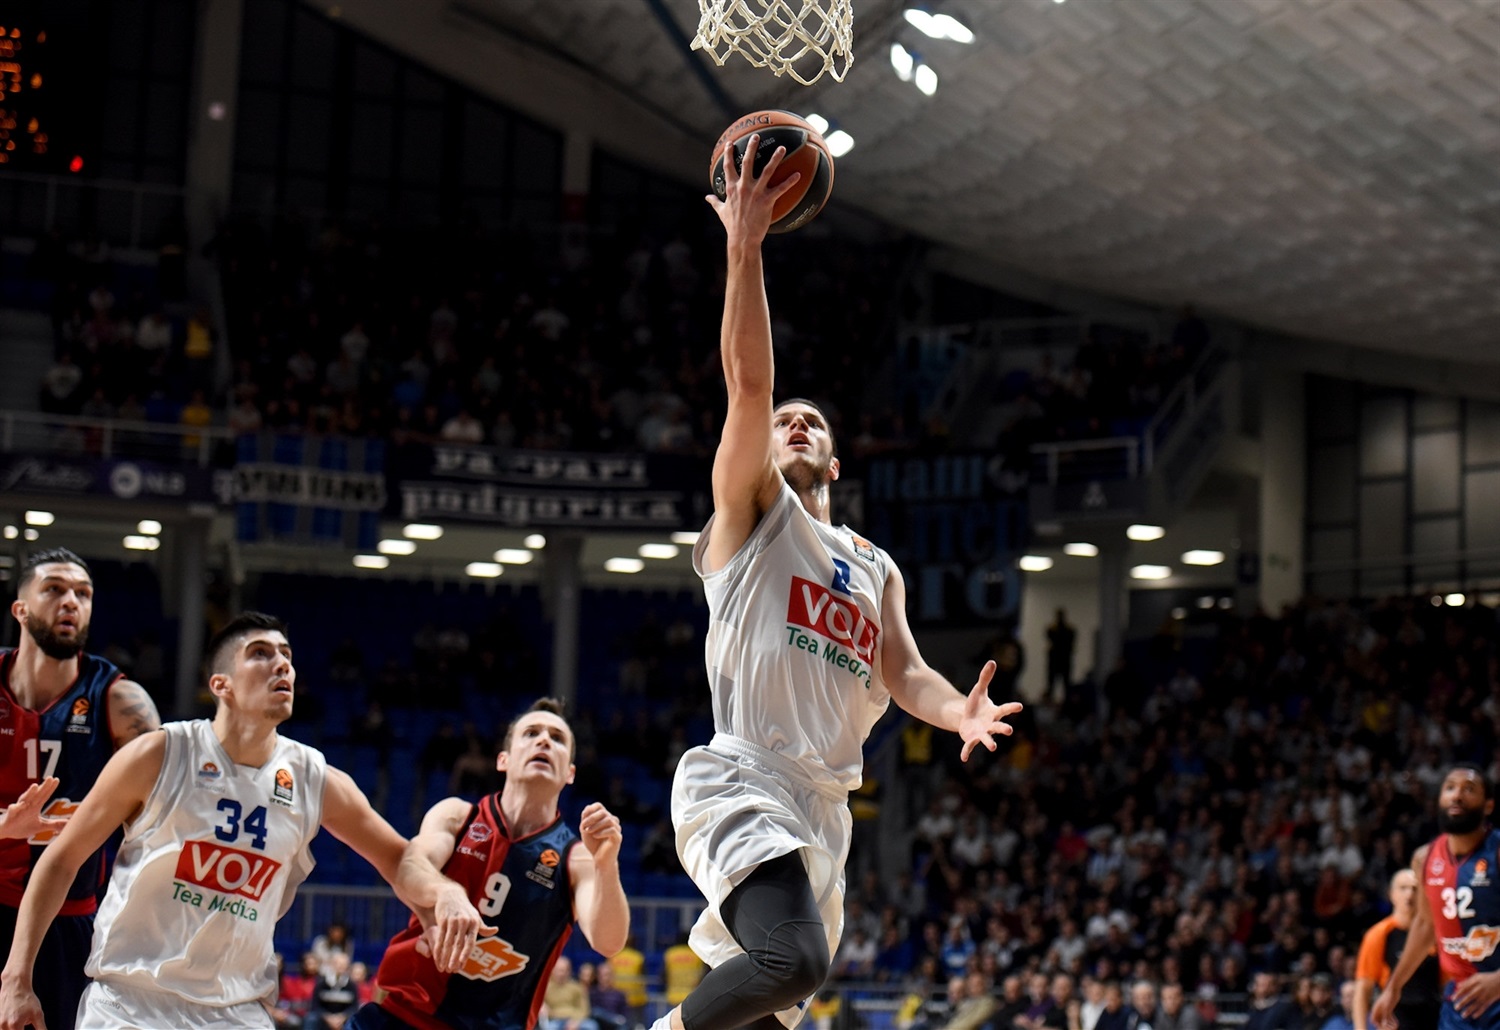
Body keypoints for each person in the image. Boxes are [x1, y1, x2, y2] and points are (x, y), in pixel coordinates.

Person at [653, 135, 1024, 1030]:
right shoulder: (750, 511)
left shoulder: (875, 563)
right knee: (794, 959)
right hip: (743, 777)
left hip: (825, 809)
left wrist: (958, 713)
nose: (796, 422)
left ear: (837, 455)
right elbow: (748, 386)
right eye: (786, 420)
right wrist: (745, 250)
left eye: (812, 420)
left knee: (773, 1007)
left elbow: (904, 673)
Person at [0, 611, 442, 1030]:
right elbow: (60, 860)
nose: (282, 665)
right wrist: (16, 978)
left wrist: (447, 898)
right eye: (261, 654)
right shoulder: (157, 754)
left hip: (236, 1010)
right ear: (221, 684)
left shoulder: (317, 779)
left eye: (287, 656)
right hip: (131, 1002)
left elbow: (400, 858)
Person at [350, 698, 629, 1030]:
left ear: (570, 773)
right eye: (531, 733)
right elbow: (409, 867)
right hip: (402, 1017)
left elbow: (608, 941)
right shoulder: (457, 816)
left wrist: (606, 862)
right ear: (503, 760)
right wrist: (445, 892)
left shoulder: (576, 858)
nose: (544, 740)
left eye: (557, 738)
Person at [0, 547, 163, 1030]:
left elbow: (162, 822)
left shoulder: (120, 701)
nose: (71, 601)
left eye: (83, 594)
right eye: (54, 589)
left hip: (66, 920)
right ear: (21, 608)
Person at [1374, 764, 1500, 1030]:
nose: (1457, 795)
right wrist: (1394, 986)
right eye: (1450, 788)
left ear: (1488, 806)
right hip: (1460, 999)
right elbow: (1424, 925)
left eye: (1469, 789)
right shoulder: (1425, 857)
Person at [1355, 870, 1439, 1030]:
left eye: (1415, 889)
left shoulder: (1434, 933)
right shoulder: (1378, 934)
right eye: (1403, 888)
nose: (1409, 894)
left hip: (1433, 1017)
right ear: (1391, 894)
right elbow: (1363, 988)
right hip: (1395, 1019)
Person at [1045, 608, 1076, 704]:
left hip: (1063, 661)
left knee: (1066, 686)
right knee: (1052, 685)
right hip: (1055, 661)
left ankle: (1065, 704)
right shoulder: (1052, 629)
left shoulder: (1069, 630)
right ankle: (1050, 702)